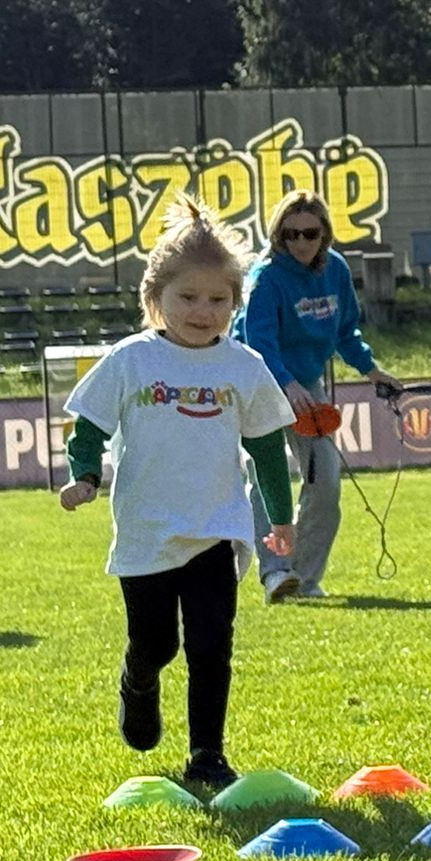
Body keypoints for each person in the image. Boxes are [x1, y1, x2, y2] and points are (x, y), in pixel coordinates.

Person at [58, 201, 296, 799]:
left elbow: (267, 446)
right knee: (157, 642)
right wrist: (85, 476)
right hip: (147, 532)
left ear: (235, 304)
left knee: (212, 644)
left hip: (217, 528)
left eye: (218, 300)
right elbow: (88, 426)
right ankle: (138, 680)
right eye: (188, 297)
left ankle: (207, 755)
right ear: (156, 296)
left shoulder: (243, 367)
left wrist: (281, 518)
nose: (202, 311)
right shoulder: (131, 360)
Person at [234, 191, 400, 602]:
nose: (300, 242)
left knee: (325, 481)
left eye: (309, 233)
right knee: (267, 475)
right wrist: (286, 384)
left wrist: (372, 371)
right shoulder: (266, 277)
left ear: (324, 233)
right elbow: (258, 340)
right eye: (290, 234)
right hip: (260, 380)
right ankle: (275, 573)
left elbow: (346, 332)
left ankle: (304, 579)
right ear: (279, 235)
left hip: (306, 383)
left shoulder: (336, 269)